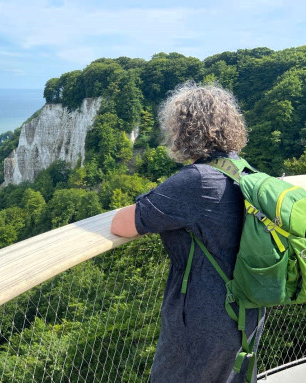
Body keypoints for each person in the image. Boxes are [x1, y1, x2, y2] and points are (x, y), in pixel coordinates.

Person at [111, 82, 262, 383]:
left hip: (202, 322)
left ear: (183, 131)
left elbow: (121, 224)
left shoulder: (197, 182)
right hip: (248, 310)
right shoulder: (245, 172)